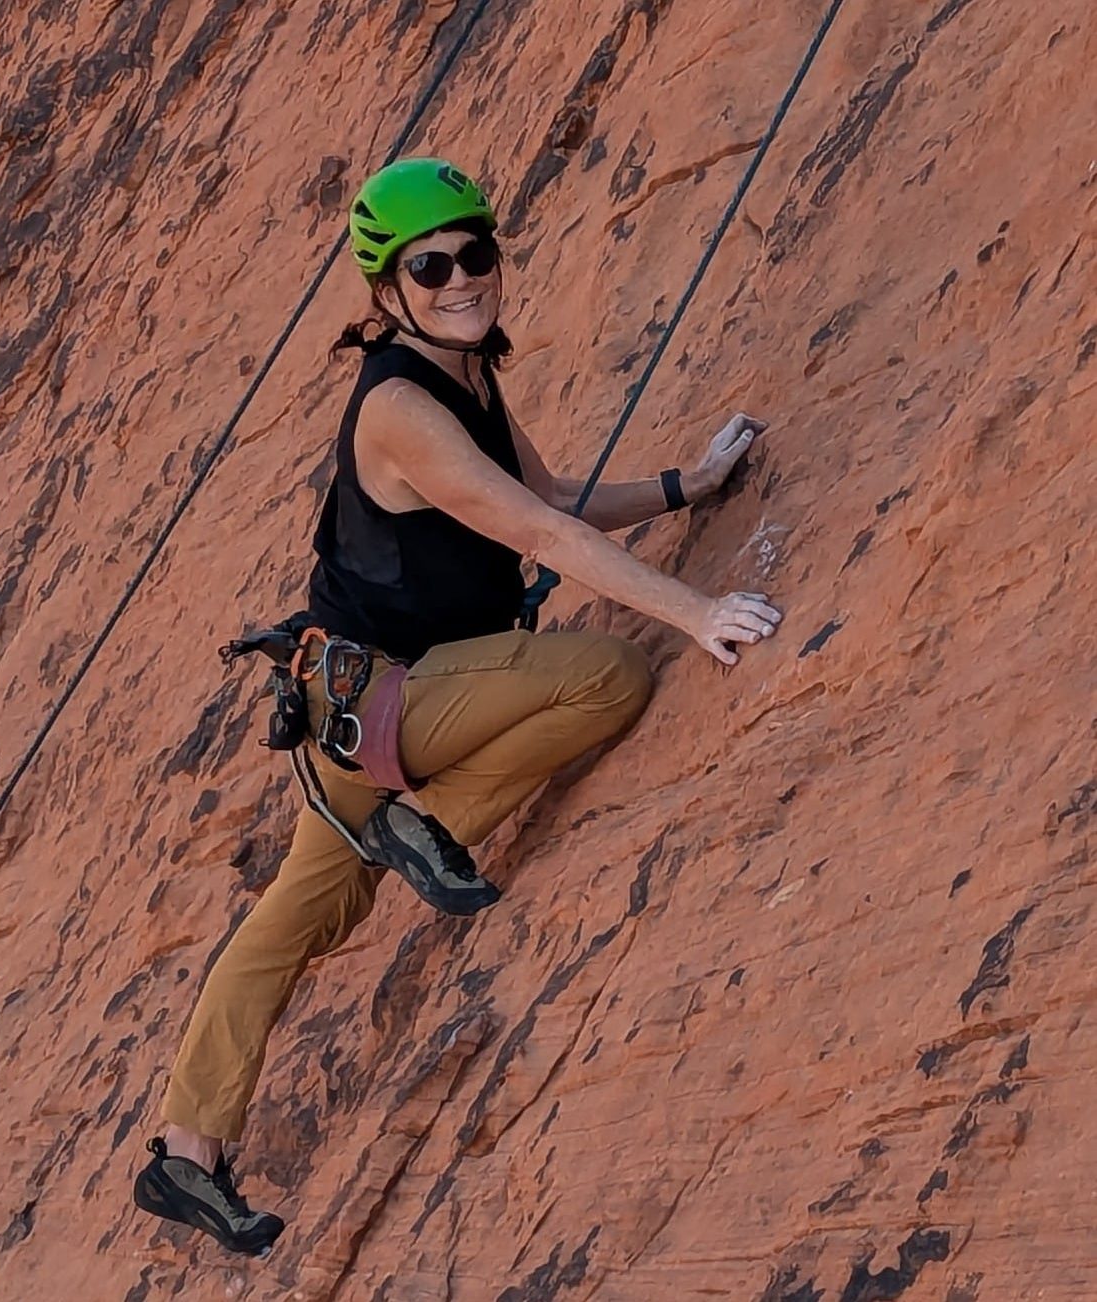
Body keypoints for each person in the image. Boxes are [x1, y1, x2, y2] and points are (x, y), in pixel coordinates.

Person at [132, 157, 781, 1254]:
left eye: (475, 254)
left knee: (290, 920)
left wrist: (685, 488)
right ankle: (424, 825)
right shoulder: (397, 405)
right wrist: (695, 608)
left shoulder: (466, 374)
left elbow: (554, 496)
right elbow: (539, 537)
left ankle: (182, 1156)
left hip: (355, 714)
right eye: (428, 267)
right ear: (385, 289)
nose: (461, 279)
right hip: (389, 705)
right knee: (608, 674)